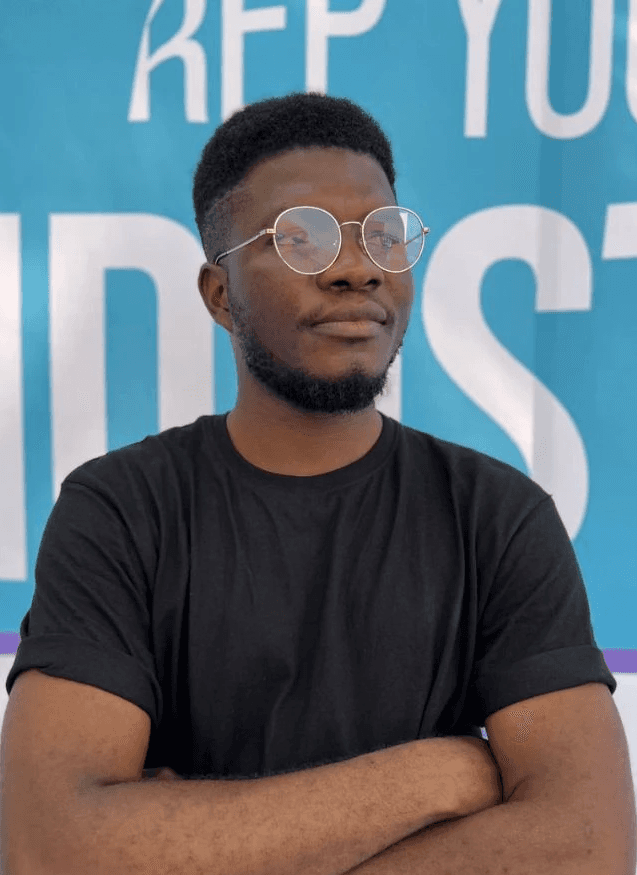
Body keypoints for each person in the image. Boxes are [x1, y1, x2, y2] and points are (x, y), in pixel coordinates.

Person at [2, 93, 621, 873]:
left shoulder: (496, 516)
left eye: (384, 236)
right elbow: (54, 848)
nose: (358, 269)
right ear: (220, 295)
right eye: (302, 240)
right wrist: (435, 776)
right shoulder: (121, 510)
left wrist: (188, 843)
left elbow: (586, 846)